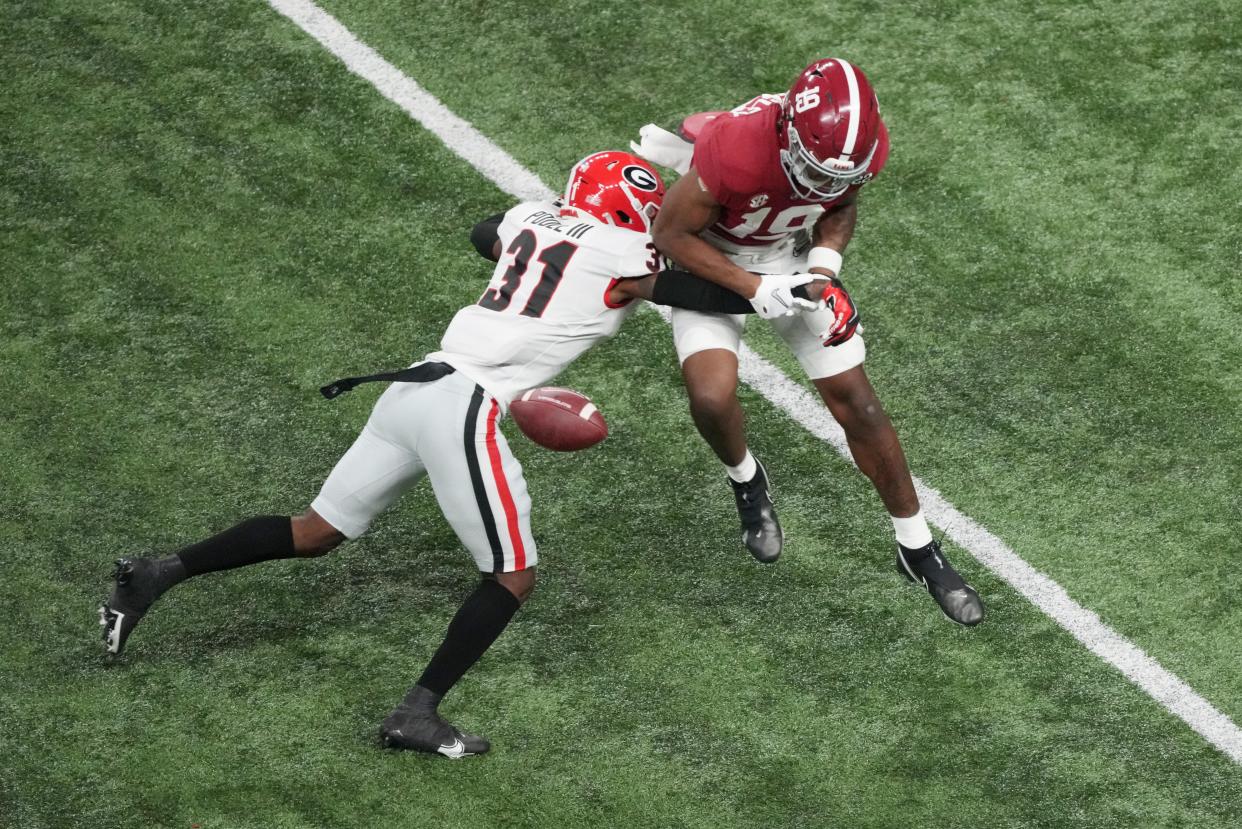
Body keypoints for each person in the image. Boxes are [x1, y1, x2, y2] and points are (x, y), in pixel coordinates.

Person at [98, 150, 817, 758]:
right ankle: (416, 712)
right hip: (464, 406)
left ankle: (158, 572)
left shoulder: (530, 217)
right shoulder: (629, 255)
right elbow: (696, 289)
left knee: (315, 530)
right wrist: (777, 290)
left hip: (413, 386)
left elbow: (486, 232)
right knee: (512, 575)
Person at [631, 58, 984, 625]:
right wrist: (751, 286)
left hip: (790, 260)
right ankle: (747, 481)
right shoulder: (736, 146)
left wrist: (824, 270)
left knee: (861, 404)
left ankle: (917, 548)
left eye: (836, 173)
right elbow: (671, 233)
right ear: (788, 132)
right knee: (712, 397)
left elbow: (840, 203)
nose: (823, 183)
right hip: (715, 264)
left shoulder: (855, 153)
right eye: (814, 170)